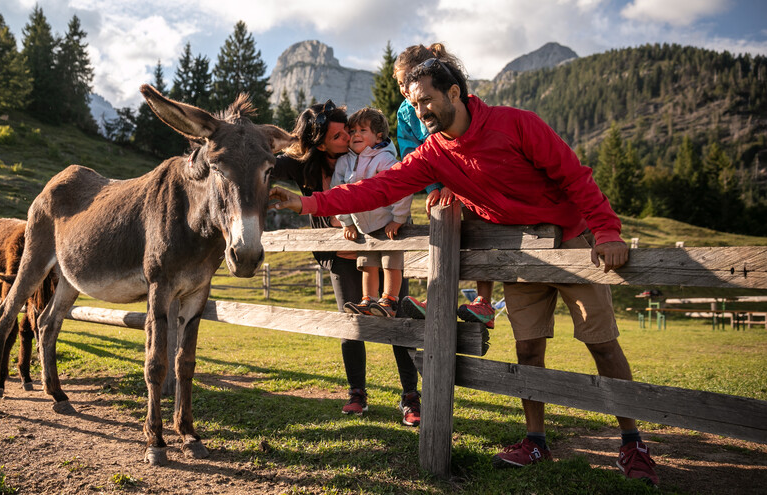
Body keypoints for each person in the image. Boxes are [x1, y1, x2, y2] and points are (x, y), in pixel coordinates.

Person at [270, 44, 659, 486]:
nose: (419, 112)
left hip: (570, 239)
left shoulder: (517, 124)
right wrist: (306, 202)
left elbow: (574, 175)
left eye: (426, 101)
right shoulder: (435, 153)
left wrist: (606, 230)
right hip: (519, 253)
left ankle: (632, 443)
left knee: (601, 342)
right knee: (528, 347)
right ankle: (536, 440)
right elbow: (377, 189)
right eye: (413, 105)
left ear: (454, 92)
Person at [271, 100, 422, 426]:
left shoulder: (368, 156)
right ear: (320, 141)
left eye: (352, 131)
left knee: (399, 320)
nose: (349, 137)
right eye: (340, 134)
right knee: (351, 322)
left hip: (382, 247)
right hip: (341, 256)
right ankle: (357, 393)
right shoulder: (305, 164)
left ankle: (411, 395)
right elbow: (269, 165)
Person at [392, 44, 496, 328]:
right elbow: (411, 151)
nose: (404, 89)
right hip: (440, 184)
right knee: (441, 233)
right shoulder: (405, 112)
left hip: (470, 180)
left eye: (406, 81)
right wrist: (434, 187)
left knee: (479, 234)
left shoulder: (455, 98)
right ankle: (438, 297)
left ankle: (484, 302)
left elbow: (464, 143)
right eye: (400, 83)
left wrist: (456, 183)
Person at [331, 107, 412, 318]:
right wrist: (346, 222)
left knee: (390, 262)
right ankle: (369, 300)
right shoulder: (344, 162)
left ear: (378, 136)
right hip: (363, 227)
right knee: (367, 264)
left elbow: (401, 188)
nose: (356, 134)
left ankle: (390, 300)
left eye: (363, 130)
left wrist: (398, 219)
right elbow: (337, 193)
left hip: (388, 224)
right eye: (353, 130)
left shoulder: (384, 160)